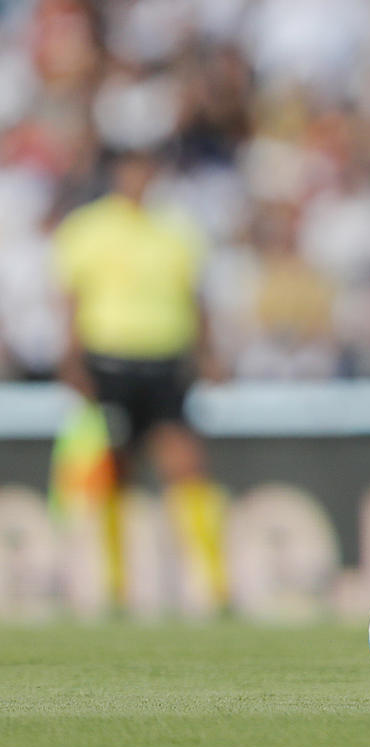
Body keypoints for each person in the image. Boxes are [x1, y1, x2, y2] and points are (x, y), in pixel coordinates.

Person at [51, 146, 227, 612]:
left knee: (185, 464)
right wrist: (71, 359)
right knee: (114, 474)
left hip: (166, 364)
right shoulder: (87, 229)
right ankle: (116, 585)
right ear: (116, 173)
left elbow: (195, 297)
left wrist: (208, 352)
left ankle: (214, 584)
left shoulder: (177, 230)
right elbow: (72, 299)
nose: (139, 176)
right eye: (131, 167)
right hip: (109, 363)